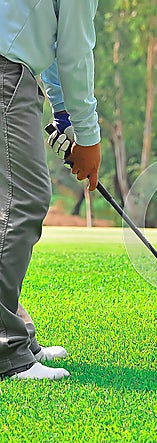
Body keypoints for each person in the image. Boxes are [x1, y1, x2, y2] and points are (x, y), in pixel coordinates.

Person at [0, 0, 101, 380]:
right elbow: (74, 50)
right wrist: (88, 139)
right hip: (6, 72)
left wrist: (64, 115)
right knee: (23, 201)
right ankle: (5, 349)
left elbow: (59, 46)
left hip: (10, 68)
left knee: (6, 205)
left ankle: (16, 334)